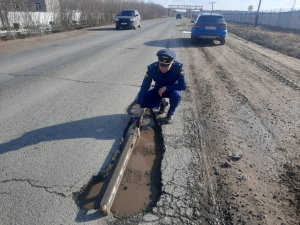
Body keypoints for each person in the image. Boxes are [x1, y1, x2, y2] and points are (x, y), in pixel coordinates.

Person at [134, 49, 187, 123]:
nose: (163, 69)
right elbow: (144, 87)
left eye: (166, 66)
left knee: (177, 95)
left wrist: (167, 87)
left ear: (171, 63)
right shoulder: (152, 68)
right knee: (144, 102)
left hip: (173, 90)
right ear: (159, 62)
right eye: (161, 66)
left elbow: (183, 85)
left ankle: (170, 114)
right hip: (159, 90)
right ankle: (162, 103)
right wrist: (138, 106)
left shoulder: (178, 68)